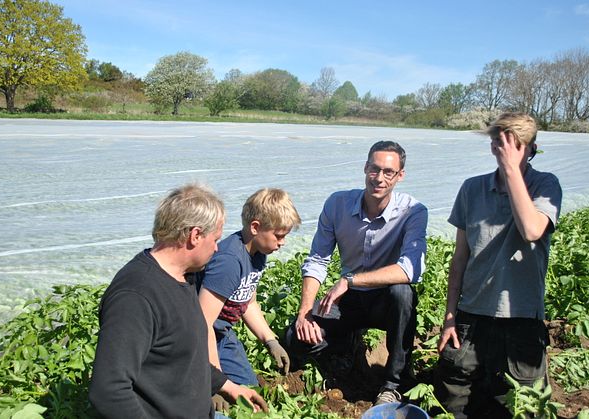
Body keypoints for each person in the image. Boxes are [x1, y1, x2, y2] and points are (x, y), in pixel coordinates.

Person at [88, 184, 268, 418]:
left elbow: (183, 357)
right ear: (195, 236)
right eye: (215, 239)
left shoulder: (185, 277)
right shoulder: (135, 297)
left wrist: (228, 386)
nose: (216, 248)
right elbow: (108, 390)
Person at [433, 112, 562, 419]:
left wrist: (512, 170)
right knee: (454, 400)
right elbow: (460, 257)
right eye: (499, 143)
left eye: (516, 144)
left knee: (520, 405)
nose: (504, 149)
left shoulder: (545, 185)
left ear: (531, 148)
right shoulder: (471, 189)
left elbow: (532, 229)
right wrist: (450, 316)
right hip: (471, 316)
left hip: (520, 317)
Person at [283, 140, 428, 406]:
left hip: (385, 301)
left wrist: (350, 280)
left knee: (402, 294)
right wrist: (304, 313)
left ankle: (392, 383)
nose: (379, 178)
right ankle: (344, 346)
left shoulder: (413, 211)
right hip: (347, 302)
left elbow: (410, 269)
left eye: (388, 172)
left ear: (400, 176)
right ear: (365, 168)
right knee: (296, 338)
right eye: (374, 169)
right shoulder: (337, 204)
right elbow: (317, 260)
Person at [197, 188, 301, 400]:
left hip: (223, 335)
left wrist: (270, 340)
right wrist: (213, 382)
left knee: (249, 388)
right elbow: (201, 323)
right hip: (196, 338)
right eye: (279, 236)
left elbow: (249, 302)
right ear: (255, 227)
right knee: (209, 398)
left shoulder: (257, 254)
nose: (283, 243)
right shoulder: (229, 262)